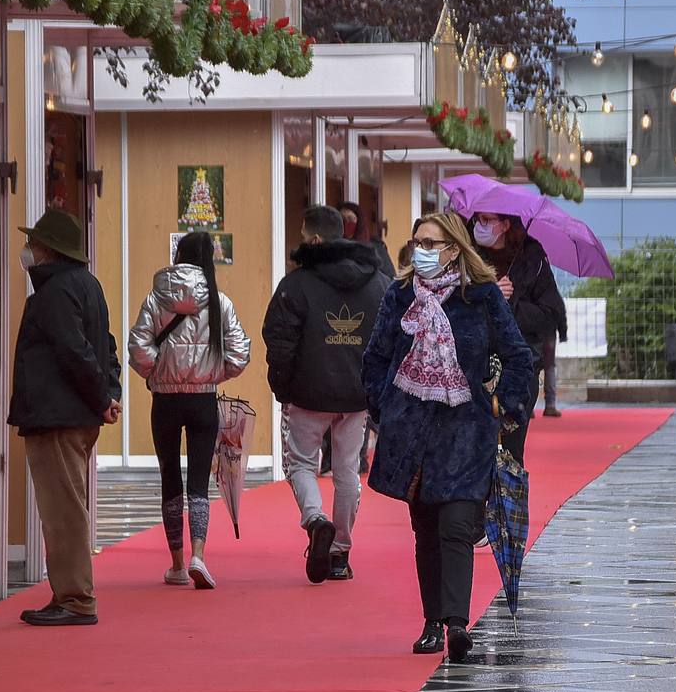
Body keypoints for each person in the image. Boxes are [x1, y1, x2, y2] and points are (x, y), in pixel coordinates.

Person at [362, 211, 533, 662]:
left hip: (466, 431)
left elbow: (518, 355)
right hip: (414, 434)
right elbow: (375, 357)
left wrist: (502, 405)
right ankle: (432, 622)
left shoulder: (481, 296)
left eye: (430, 243)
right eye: (417, 241)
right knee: (426, 529)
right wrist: (385, 408)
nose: (421, 250)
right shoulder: (399, 295)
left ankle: (457, 624)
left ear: (454, 250)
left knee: (456, 525)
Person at [263, 205, 391, 583]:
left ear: (315, 239)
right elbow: (391, 340)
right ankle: (340, 552)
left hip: (308, 392)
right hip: (357, 395)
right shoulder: (378, 283)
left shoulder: (296, 284)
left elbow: (279, 341)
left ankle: (316, 519)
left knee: (301, 464)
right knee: (347, 470)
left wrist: (282, 386)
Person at [10, 208, 122, 626]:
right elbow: (105, 346)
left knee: (63, 512)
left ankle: (75, 597)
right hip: (78, 414)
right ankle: (68, 593)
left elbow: (74, 352)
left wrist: (101, 397)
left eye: (33, 243)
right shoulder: (88, 285)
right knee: (68, 506)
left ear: (48, 249)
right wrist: (109, 395)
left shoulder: (53, 294)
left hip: (56, 415)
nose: (28, 249)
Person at [129, 231, 250, 590]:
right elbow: (239, 354)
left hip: (165, 400)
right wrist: (213, 374)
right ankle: (199, 554)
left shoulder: (155, 299)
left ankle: (177, 564)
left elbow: (138, 346)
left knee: (170, 476)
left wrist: (157, 372)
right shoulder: (219, 302)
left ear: (178, 256)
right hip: (203, 400)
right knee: (198, 480)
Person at [469, 212, 567, 464]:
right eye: (478, 219)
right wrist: (488, 294)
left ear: (505, 225)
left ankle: (508, 491)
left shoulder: (532, 259)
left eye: (487, 220)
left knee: (510, 452)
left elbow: (550, 315)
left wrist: (510, 303)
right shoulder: (467, 256)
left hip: (520, 370)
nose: (480, 226)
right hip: (473, 367)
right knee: (472, 451)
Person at [339, 200, 394, 277]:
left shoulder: (376, 247)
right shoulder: (334, 248)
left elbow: (390, 276)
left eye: (350, 218)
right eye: (342, 219)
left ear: (359, 221)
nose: (346, 222)